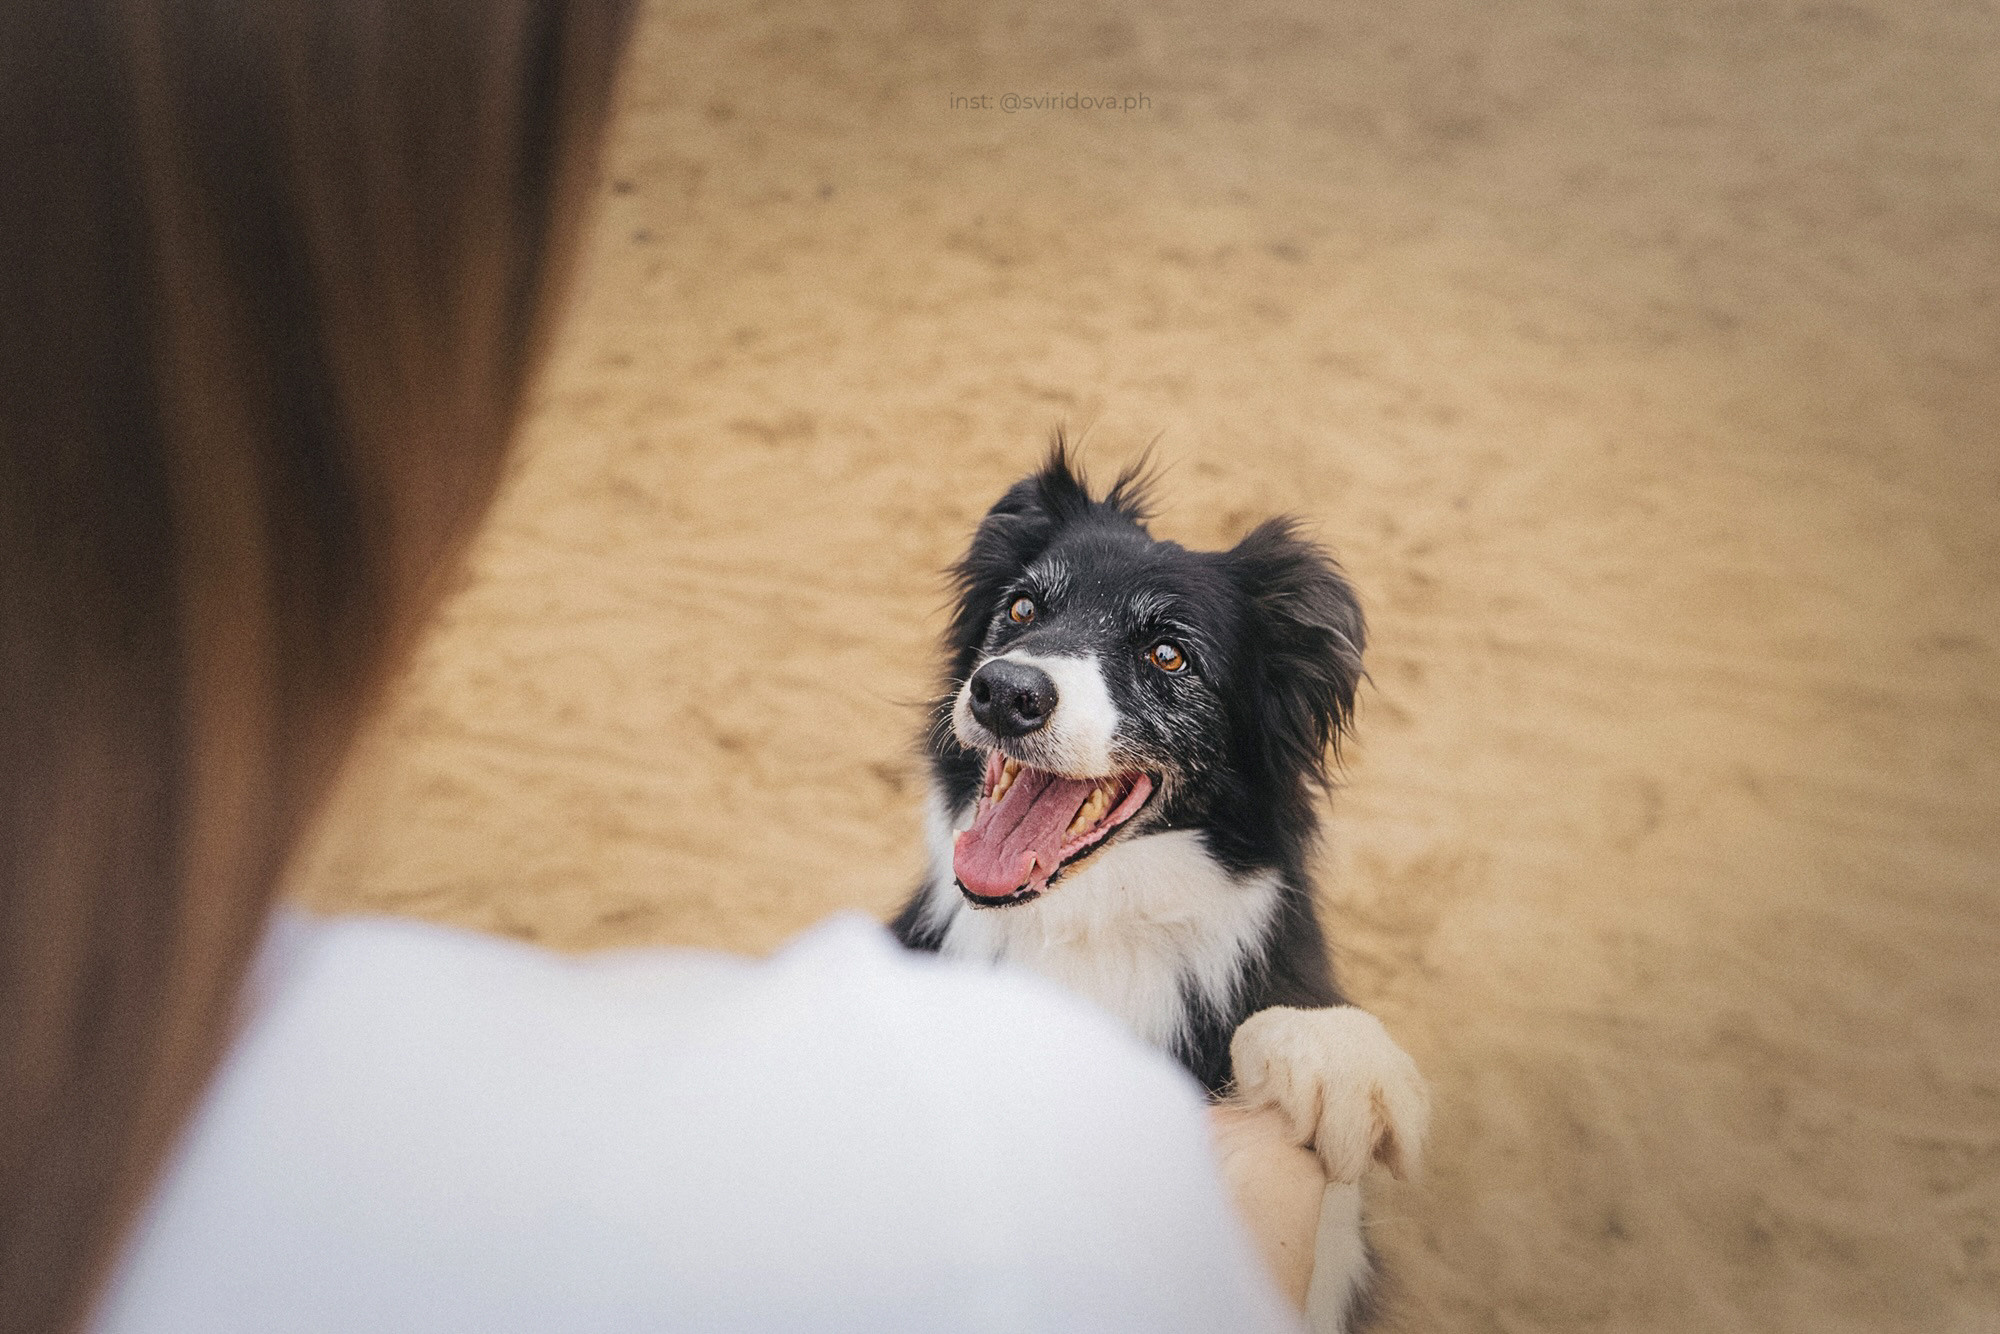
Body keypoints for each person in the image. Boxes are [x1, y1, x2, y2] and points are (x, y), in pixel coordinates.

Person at [0, 2, 1324, 1331]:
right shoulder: (974, 1178)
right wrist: (1265, 1209)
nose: (1019, 669)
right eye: (1020, 617)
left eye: (1156, 650)